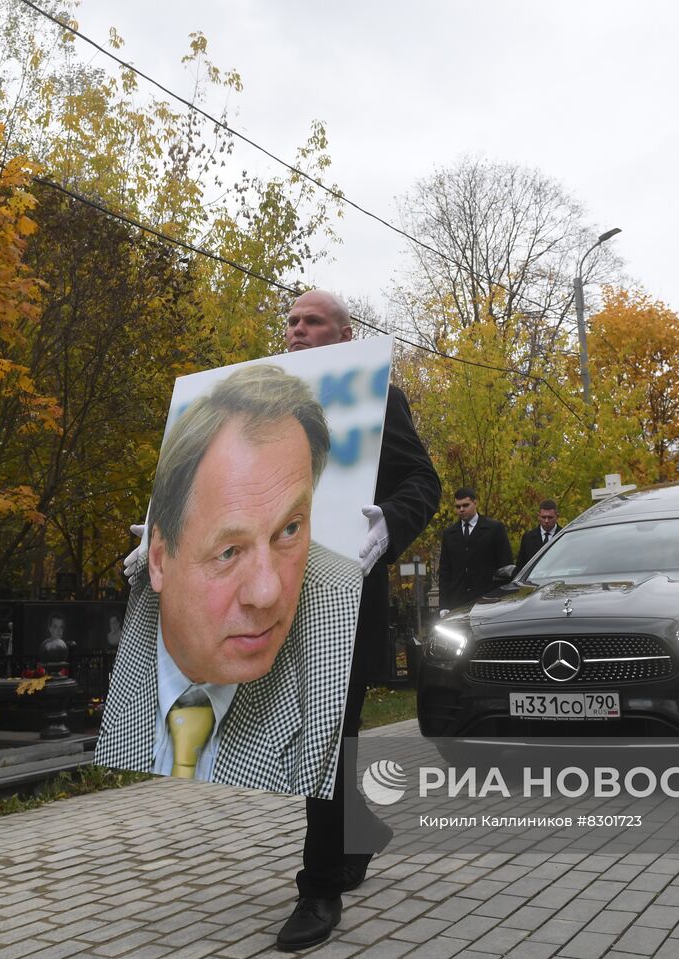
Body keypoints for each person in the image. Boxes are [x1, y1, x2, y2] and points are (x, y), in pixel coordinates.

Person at [95, 363, 363, 797]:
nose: (268, 592)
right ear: (160, 560)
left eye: (290, 530)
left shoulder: (336, 633)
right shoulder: (138, 617)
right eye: (228, 552)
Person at [275, 289, 439, 952]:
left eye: (312, 321)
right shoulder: (264, 406)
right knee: (310, 738)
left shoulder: (378, 398)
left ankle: (318, 890)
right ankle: (360, 831)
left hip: (342, 596)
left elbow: (420, 481)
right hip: (278, 595)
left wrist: (388, 526)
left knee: (322, 738)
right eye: (290, 322)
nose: (297, 330)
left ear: (345, 336)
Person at [437, 488, 513, 612]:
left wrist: (504, 600)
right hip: (458, 602)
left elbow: (505, 567)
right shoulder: (449, 534)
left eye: (465, 505)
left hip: (488, 600)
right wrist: (444, 606)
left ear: (475, 503)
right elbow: (445, 572)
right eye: (458, 506)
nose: (461, 510)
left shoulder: (494, 529)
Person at [515, 499, 561, 569]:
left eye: (550, 517)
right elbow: (521, 566)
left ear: (557, 516)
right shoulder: (528, 538)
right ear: (538, 516)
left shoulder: (564, 536)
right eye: (543, 517)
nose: (546, 521)